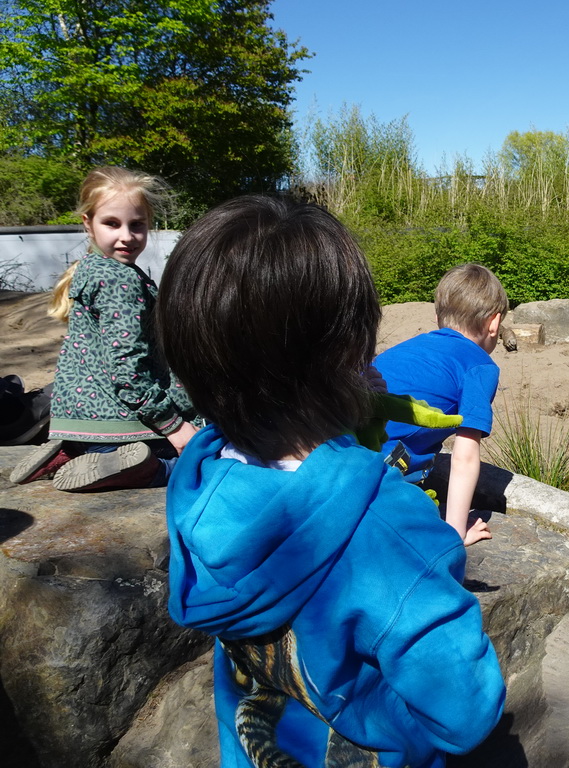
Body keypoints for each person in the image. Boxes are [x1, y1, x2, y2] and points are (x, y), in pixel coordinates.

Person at [155, 196, 505, 768]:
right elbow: (466, 711)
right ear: (354, 360)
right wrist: (438, 546)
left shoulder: (200, 477)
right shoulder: (386, 526)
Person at [9, 167, 198, 491]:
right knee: (200, 461)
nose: (126, 235)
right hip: (121, 423)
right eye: (112, 223)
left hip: (81, 419)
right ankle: (147, 469)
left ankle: (72, 450)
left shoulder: (92, 267)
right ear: (88, 223)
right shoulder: (121, 281)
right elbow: (128, 370)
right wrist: (174, 426)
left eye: (137, 225)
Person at [373, 263, 508, 547]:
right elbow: (465, 456)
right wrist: (455, 533)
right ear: (494, 324)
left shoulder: (410, 346)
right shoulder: (480, 366)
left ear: (438, 318)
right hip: (378, 473)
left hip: (334, 444)